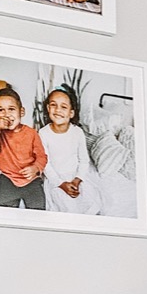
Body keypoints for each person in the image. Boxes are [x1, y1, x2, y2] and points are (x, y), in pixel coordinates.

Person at [0, 86, 48, 210]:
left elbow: (42, 156)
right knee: (5, 208)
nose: (7, 114)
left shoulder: (32, 133)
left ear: (21, 112)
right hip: (8, 178)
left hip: (31, 179)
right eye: (1, 110)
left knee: (38, 208)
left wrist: (36, 168)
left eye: (11, 109)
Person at [39, 86, 102, 215]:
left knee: (90, 200)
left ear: (71, 113)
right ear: (48, 109)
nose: (58, 110)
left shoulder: (77, 132)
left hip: (75, 175)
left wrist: (77, 180)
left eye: (63, 107)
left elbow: (84, 160)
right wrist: (61, 184)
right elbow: (46, 164)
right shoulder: (43, 133)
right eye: (53, 105)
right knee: (64, 204)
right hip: (55, 178)